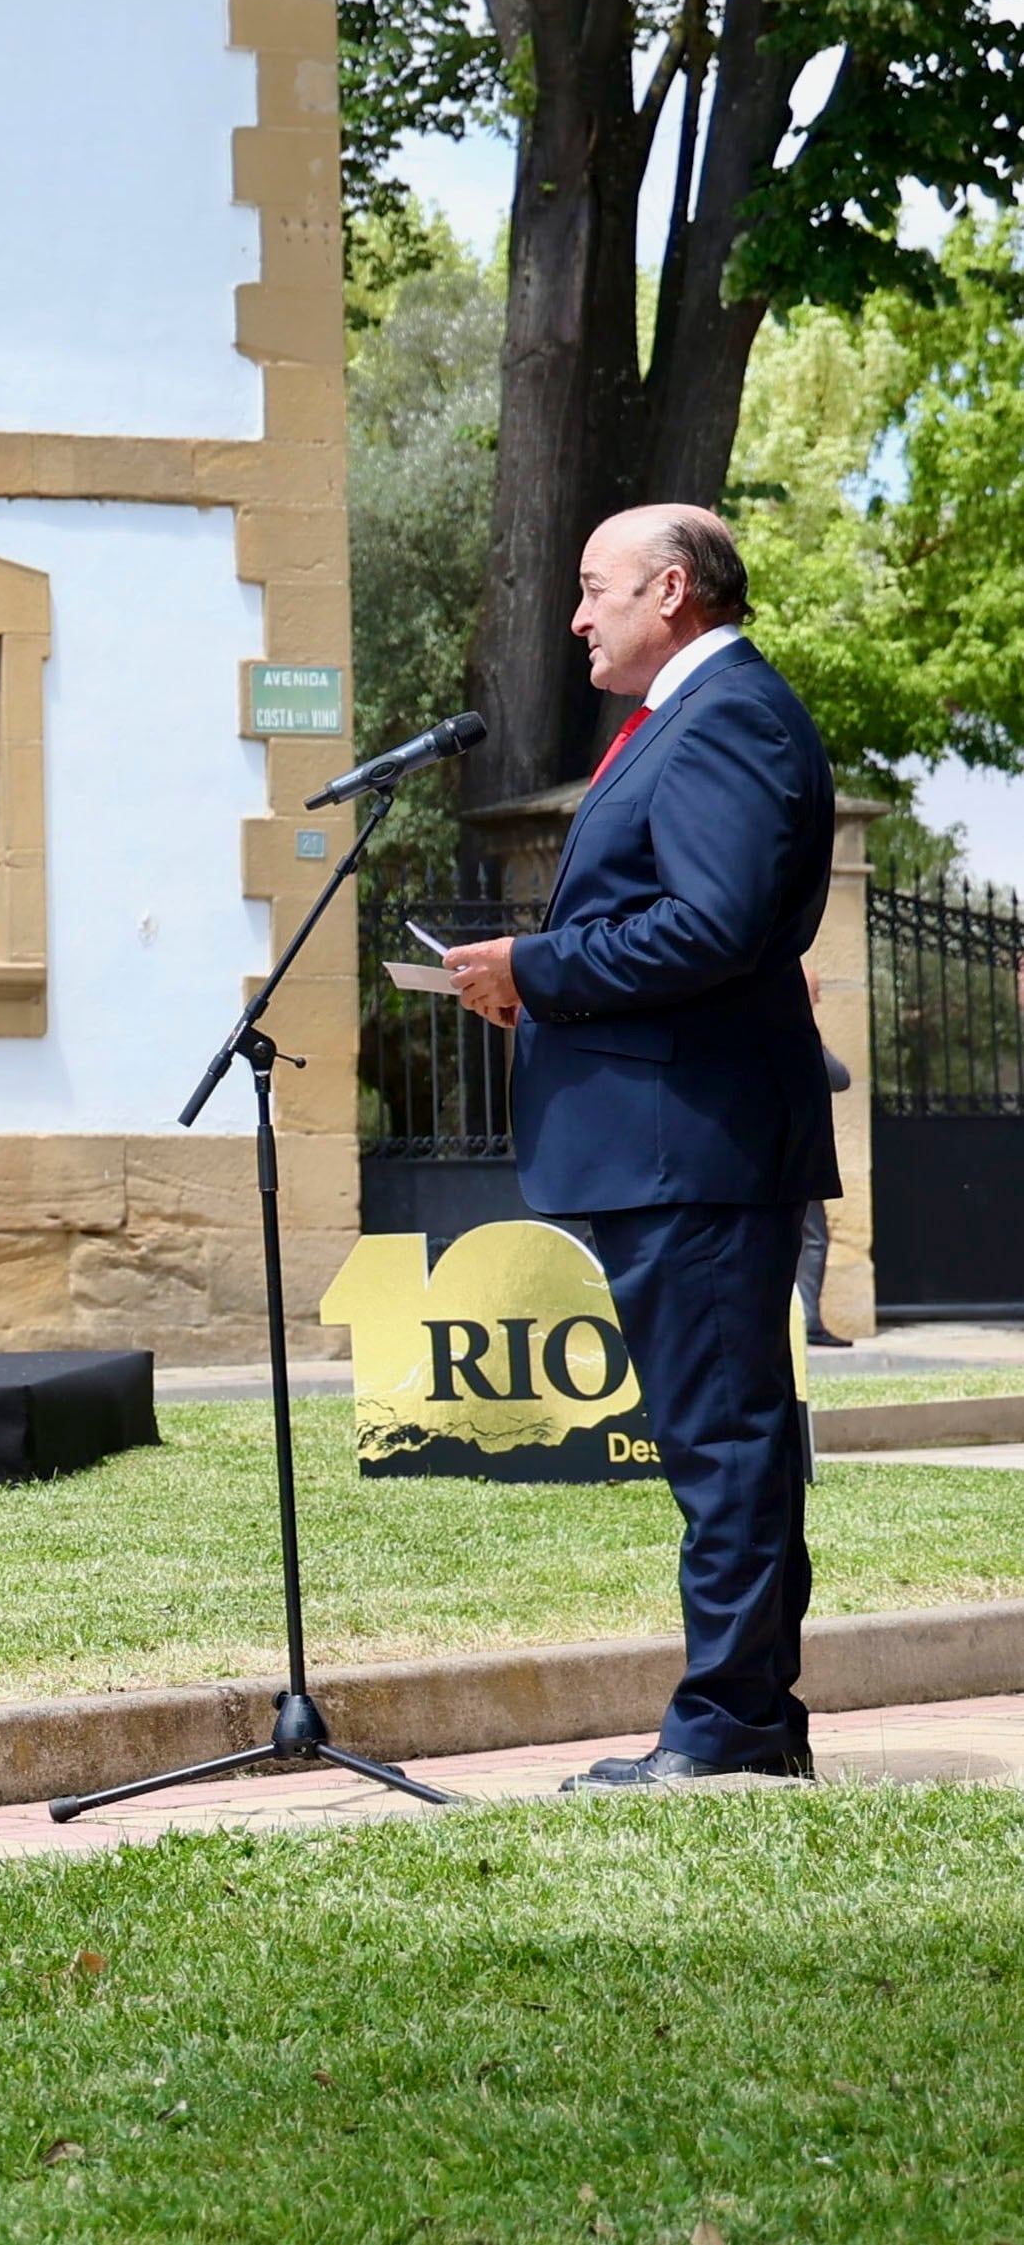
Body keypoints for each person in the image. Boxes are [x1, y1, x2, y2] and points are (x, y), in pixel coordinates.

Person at [442, 504, 839, 1788]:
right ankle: (748, 1721)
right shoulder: (679, 718)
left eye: (591, 589)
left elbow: (714, 925)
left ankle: (725, 1730)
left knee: (723, 1442)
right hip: (671, 1145)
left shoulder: (725, 713)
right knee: (717, 1437)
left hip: (697, 1148)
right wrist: (531, 981)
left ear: (668, 590)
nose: (574, 616)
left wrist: (534, 966)